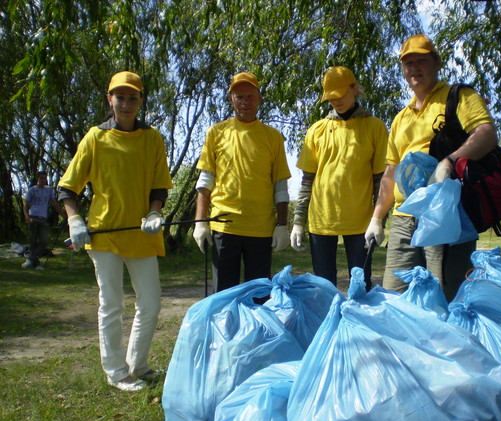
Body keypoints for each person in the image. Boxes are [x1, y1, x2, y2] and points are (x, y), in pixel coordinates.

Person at [58, 71, 173, 392]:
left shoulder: (152, 138)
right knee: (111, 303)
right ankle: (117, 372)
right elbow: (68, 187)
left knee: (150, 303)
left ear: (140, 100)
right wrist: (74, 220)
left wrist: (154, 211)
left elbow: (159, 185)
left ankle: (139, 364)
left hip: (142, 233)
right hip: (103, 234)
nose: (126, 103)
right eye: (119, 97)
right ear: (110, 100)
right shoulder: (95, 137)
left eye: (132, 97)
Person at [366, 34, 498, 301]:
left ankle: (453, 343)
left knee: (446, 296)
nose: (414, 68)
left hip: (445, 214)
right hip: (404, 218)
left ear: (436, 63)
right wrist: (377, 219)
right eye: (408, 63)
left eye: (421, 61)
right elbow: (390, 173)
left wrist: (448, 162)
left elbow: (486, 133)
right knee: (394, 297)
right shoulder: (401, 118)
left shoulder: (457, 96)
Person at [290, 66, 388, 291]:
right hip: (321, 220)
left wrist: (379, 219)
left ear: (354, 89)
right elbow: (307, 180)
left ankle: (359, 325)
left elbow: (380, 180)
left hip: (361, 223)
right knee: (324, 289)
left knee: (360, 287)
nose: (336, 101)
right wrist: (298, 222)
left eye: (340, 95)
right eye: (330, 98)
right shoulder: (317, 130)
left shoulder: (374, 127)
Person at [193, 72, 291, 293]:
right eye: (239, 96)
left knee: (259, 297)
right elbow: (205, 181)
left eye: (250, 96)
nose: (245, 102)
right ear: (231, 99)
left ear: (259, 98)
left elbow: (280, 186)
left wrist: (282, 225)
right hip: (224, 226)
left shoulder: (273, 137)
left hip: (261, 230)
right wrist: (200, 222)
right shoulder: (216, 133)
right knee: (224, 297)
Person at [22, 171, 66, 269]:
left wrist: (63, 214)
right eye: (41, 178)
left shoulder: (48, 190)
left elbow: (54, 203)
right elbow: (26, 205)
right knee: (33, 241)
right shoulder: (31, 190)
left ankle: (31, 258)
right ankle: (36, 263)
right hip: (33, 217)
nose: (43, 180)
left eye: (44, 178)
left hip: (43, 218)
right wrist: (27, 217)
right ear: (37, 178)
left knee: (44, 241)